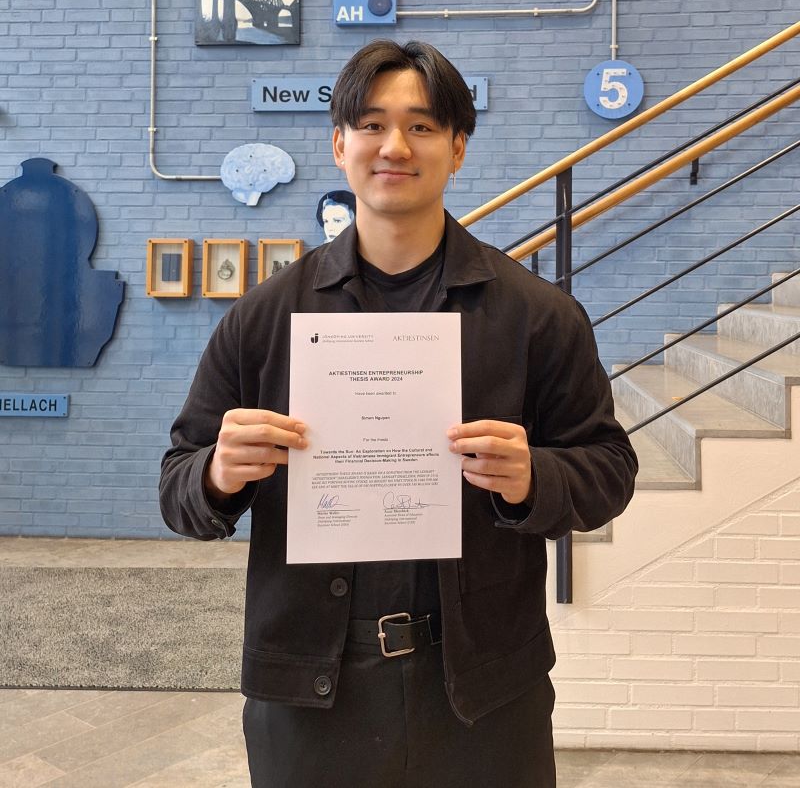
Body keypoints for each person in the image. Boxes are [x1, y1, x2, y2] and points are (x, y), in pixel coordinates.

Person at [160, 40, 637, 788]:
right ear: (339, 144)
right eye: (372, 124)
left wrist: (532, 477)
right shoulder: (265, 318)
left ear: (458, 147)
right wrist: (217, 474)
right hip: (308, 695)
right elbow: (177, 487)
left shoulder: (537, 316)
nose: (395, 146)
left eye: (421, 126)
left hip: (485, 697)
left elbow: (608, 471)